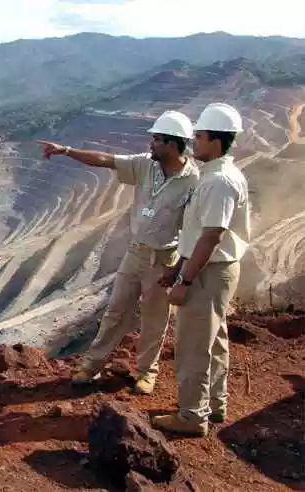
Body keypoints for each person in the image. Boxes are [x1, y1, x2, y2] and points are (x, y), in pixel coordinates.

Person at [37, 110, 199, 395]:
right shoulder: (145, 166)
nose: (150, 144)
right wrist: (66, 151)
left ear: (172, 144)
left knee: (155, 319)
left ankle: (147, 373)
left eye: (156, 139)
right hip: (135, 253)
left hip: (164, 259)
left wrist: (179, 268)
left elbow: (195, 230)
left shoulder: (193, 180)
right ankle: (92, 365)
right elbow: (105, 160)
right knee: (115, 311)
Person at [152, 103, 250, 437]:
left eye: (200, 136)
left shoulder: (218, 182)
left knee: (193, 343)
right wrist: (178, 265)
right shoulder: (215, 176)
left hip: (208, 272)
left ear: (216, 141)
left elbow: (211, 236)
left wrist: (185, 279)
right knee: (214, 339)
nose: (194, 142)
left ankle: (192, 416)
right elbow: (197, 234)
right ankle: (215, 404)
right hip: (210, 269)